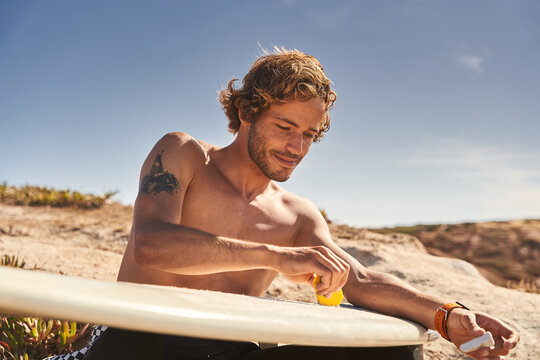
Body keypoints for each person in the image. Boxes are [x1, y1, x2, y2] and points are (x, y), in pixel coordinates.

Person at [82, 48, 519, 360]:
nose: (297, 147)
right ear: (246, 111)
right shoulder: (185, 154)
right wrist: (277, 255)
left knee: (393, 352)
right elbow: (152, 245)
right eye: (285, 126)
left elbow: (361, 280)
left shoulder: (296, 214)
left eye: (309, 134)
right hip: (134, 341)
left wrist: (449, 316)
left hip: (225, 350)